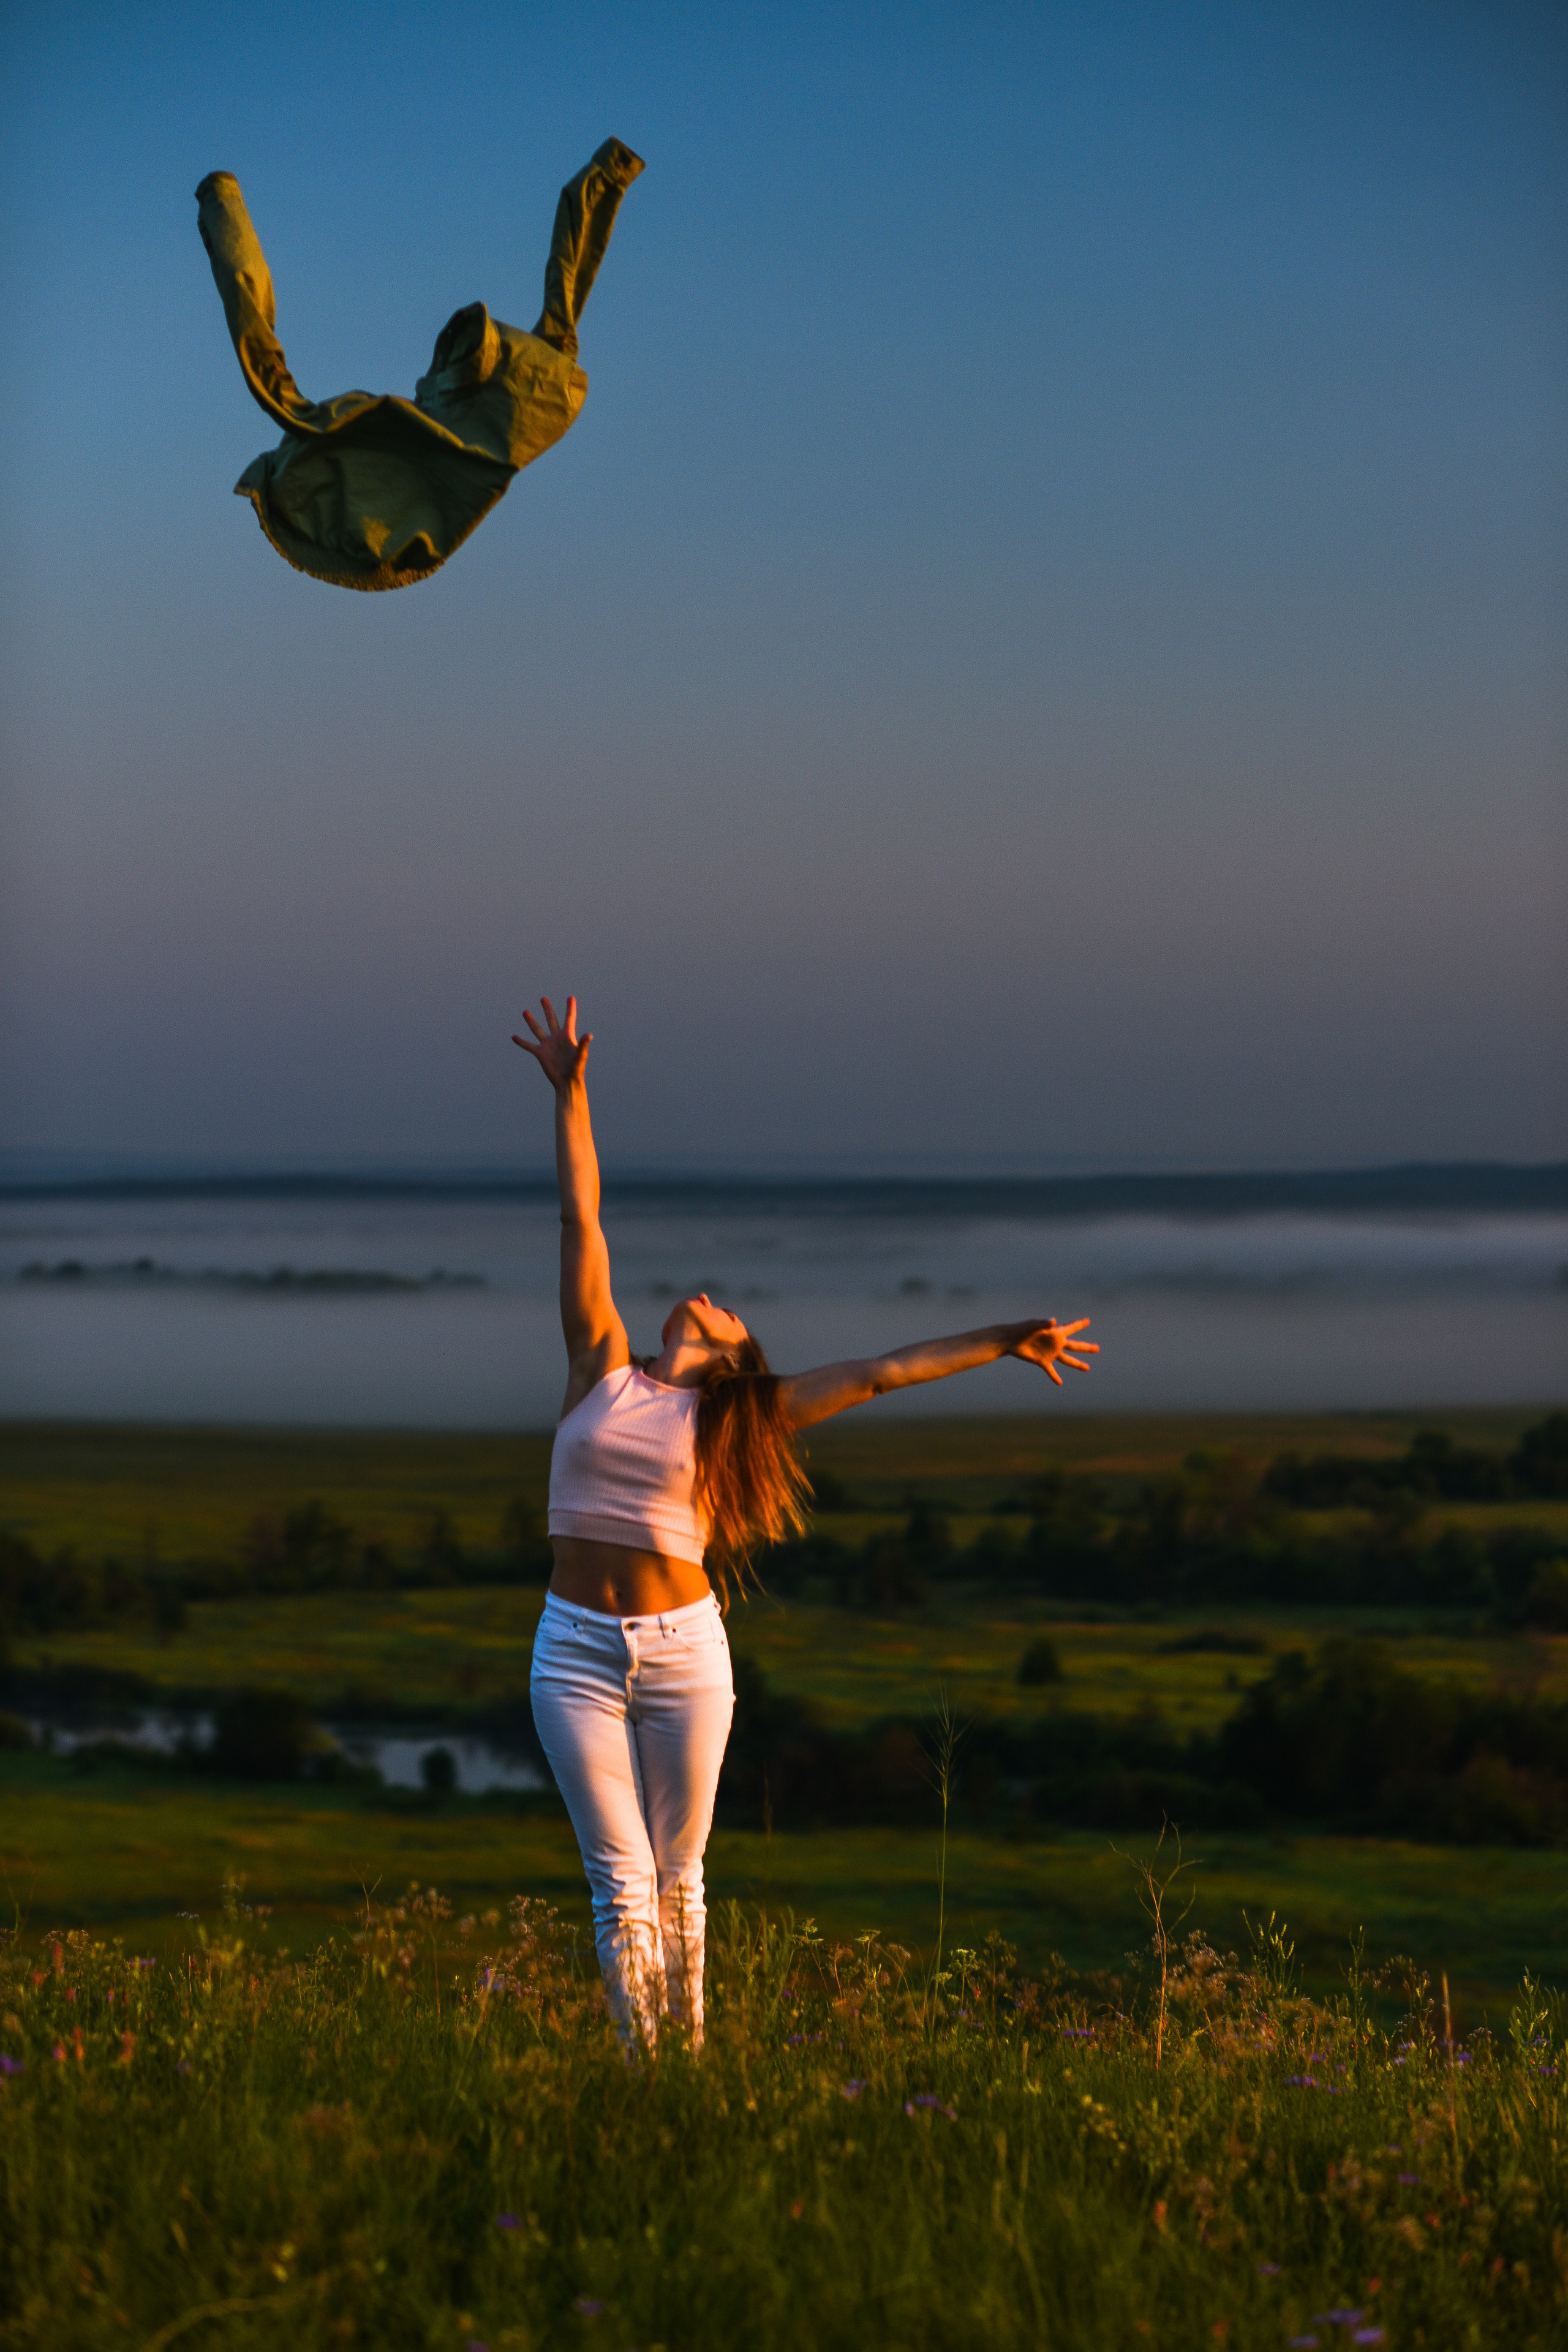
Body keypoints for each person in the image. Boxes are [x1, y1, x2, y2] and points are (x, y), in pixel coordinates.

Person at [514, 995, 1098, 2046]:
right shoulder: (597, 1365)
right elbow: (581, 1220)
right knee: (620, 1881)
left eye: (729, 1311)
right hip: (573, 1649)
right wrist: (573, 1096)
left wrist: (1007, 1338)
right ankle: (646, 2077)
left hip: (685, 1651)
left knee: (680, 1880)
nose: (706, 1298)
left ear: (741, 1351)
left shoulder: (739, 1413)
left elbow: (878, 1375)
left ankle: (684, 2075)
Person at [195, 139, 643, 590]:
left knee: (277, 384)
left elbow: (259, 351)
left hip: (434, 449)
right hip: (453, 435)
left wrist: (222, 203)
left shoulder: (534, 384)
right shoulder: (539, 383)